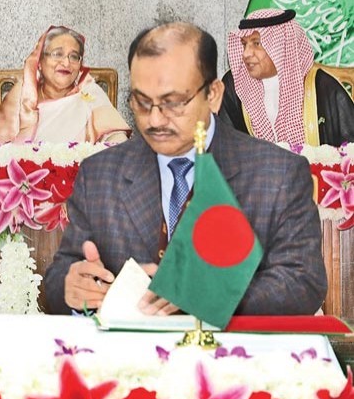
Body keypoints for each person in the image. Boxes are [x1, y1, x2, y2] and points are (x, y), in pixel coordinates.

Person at [44, 22, 326, 316]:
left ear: (214, 95)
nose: (154, 120)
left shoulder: (276, 173)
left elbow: (303, 282)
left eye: (174, 102)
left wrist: (212, 295)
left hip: (232, 357)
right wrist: (72, 288)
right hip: (131, 357)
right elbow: (60, 277)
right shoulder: (101, 174)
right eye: (142, 102)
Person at [0, 25, 130, 144]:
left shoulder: (88, 92)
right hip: (24, 181)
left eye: (74, 56)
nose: (66, 62)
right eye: (58, 54)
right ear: (40, 61)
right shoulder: (24, 92)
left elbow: (116, 137)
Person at [220, 9, 354, 147]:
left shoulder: (323, 87)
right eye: (244, 44)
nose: (246, 54)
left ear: (280, 45)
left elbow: (350, 150)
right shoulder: (234, 85)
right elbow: (223, 146)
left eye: (256, 43)